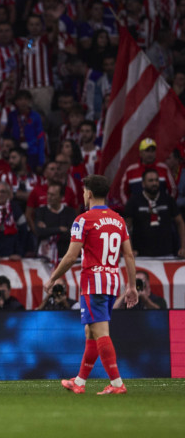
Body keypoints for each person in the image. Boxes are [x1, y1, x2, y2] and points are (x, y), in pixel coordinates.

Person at [43, 174, 138, 395]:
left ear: (90, 194)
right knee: (91, 332)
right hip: (112, 281)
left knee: (101, 331)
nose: (84, 195)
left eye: (85, 191)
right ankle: (80, 382)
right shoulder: (119, 220)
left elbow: (70, 256)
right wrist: (131, 286)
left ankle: (117, 384)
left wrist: (53, 278)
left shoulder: (83, 220)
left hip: (93, 283)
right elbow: (129, 255)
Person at [124, 169, 185, 258]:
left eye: (156, 180)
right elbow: (126, 227)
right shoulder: (134, 201)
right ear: (143, 183)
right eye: (151, 181)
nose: (154, 183)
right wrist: (129, 250)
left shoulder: (168, 200)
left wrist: (183, 247)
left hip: (167, 254)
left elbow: (180, 223)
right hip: (142, 256)